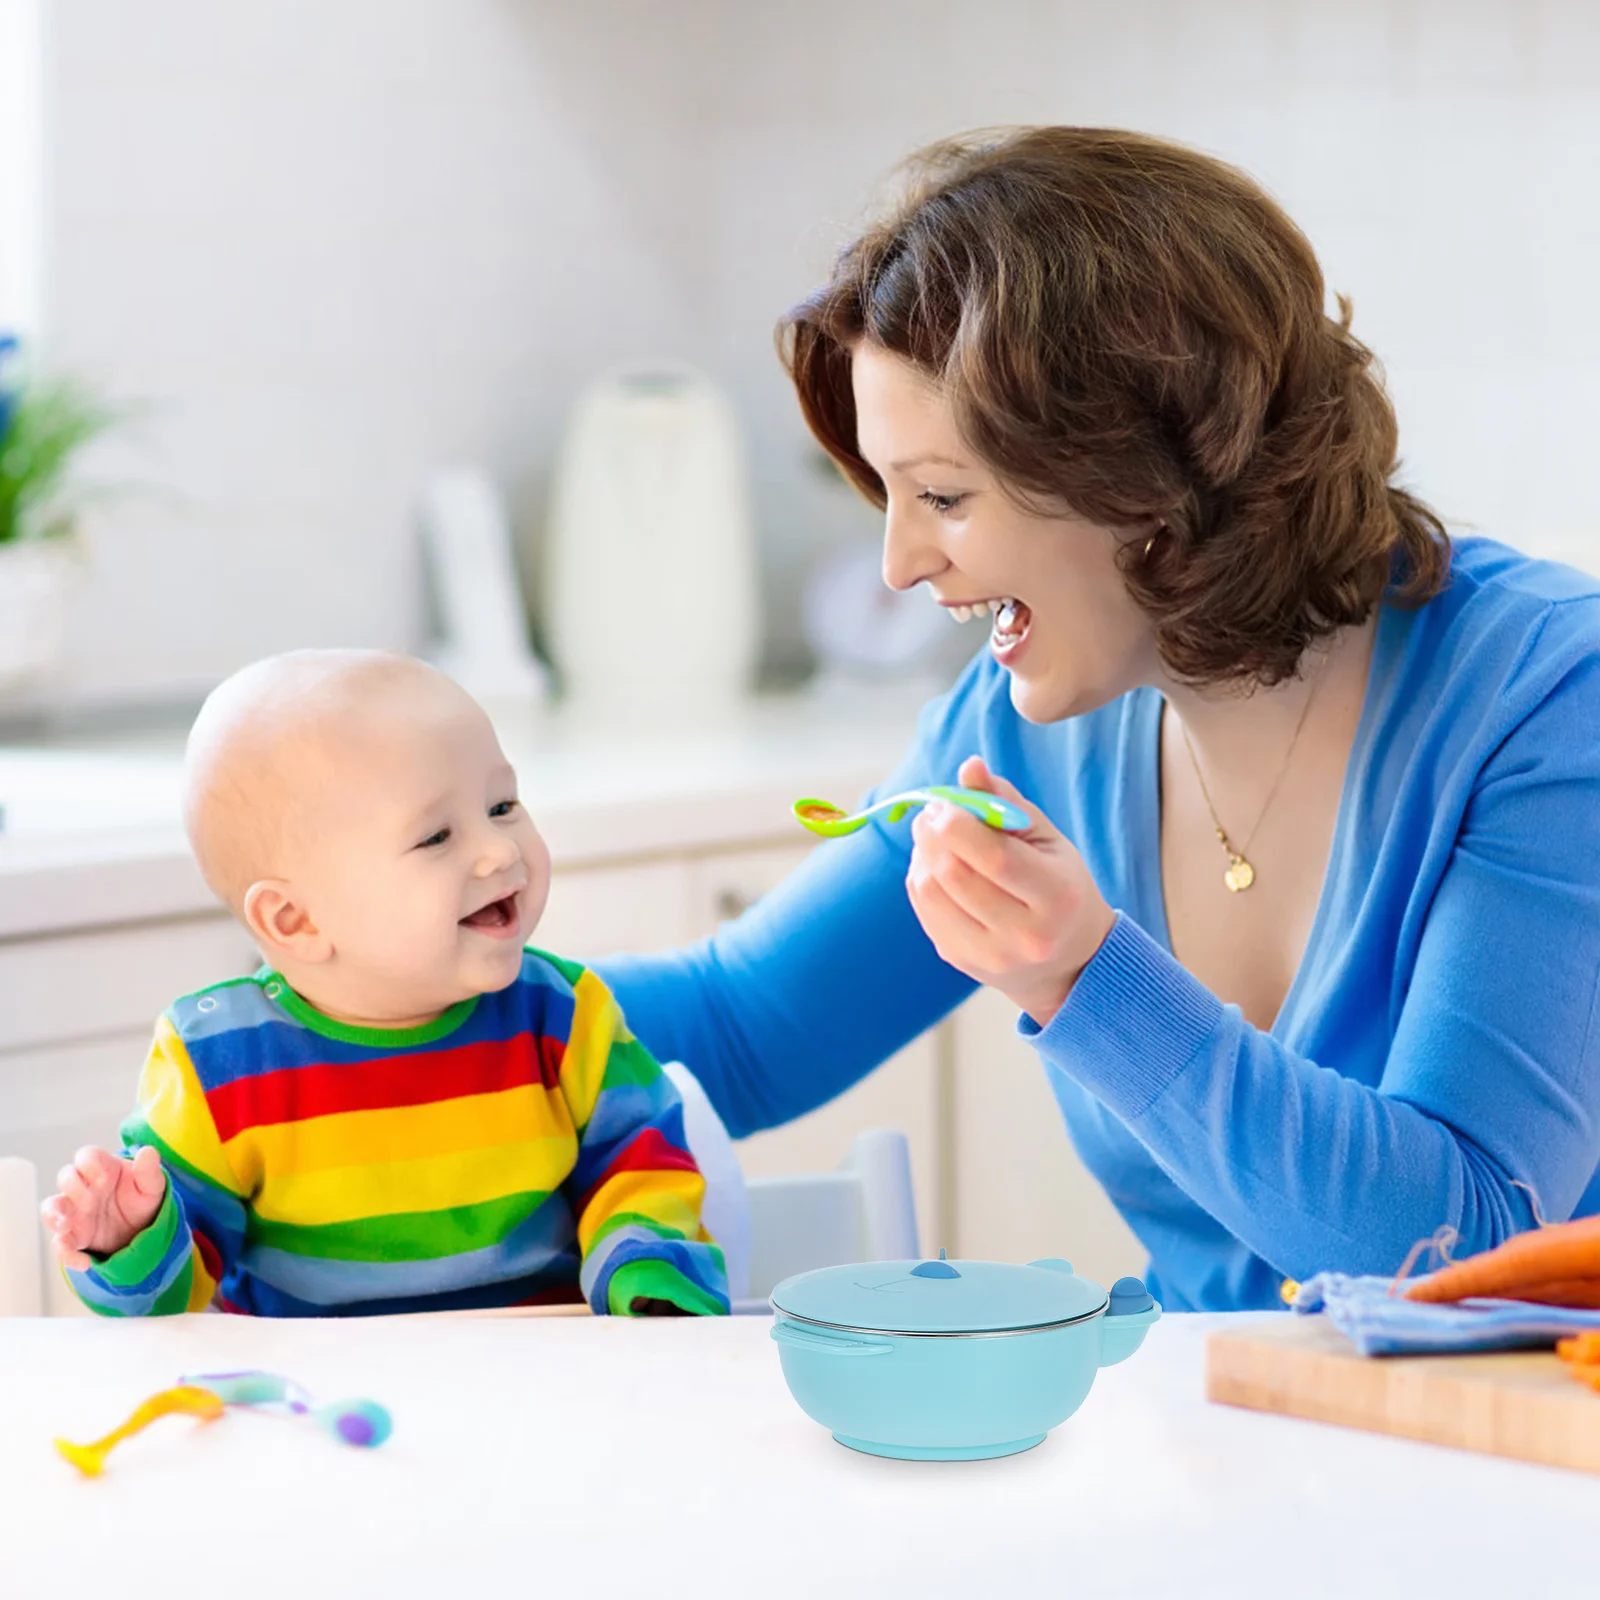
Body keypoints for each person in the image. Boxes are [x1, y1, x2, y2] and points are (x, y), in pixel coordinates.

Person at [596, 127, 1600, 1313]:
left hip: (1512, 1460)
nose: (901, 562)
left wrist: (1084, 978)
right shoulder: (1029, 727)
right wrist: (382, 983)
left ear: (1143, 481)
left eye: (943, 497)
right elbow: (739, 1025)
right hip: (1221, 1437)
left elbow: (1464, 1248)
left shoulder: (1546, 703)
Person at [40, 650, 728, 1318]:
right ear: (295, 919)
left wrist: (643, 1264)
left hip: (542, 1380)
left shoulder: (562, 1016)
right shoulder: (220, 1064)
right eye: (435, 837)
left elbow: (642, 1157)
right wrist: (130, 1241)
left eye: (502, 804)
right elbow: (170, 1304)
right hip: (322, 1409)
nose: (500, 849)